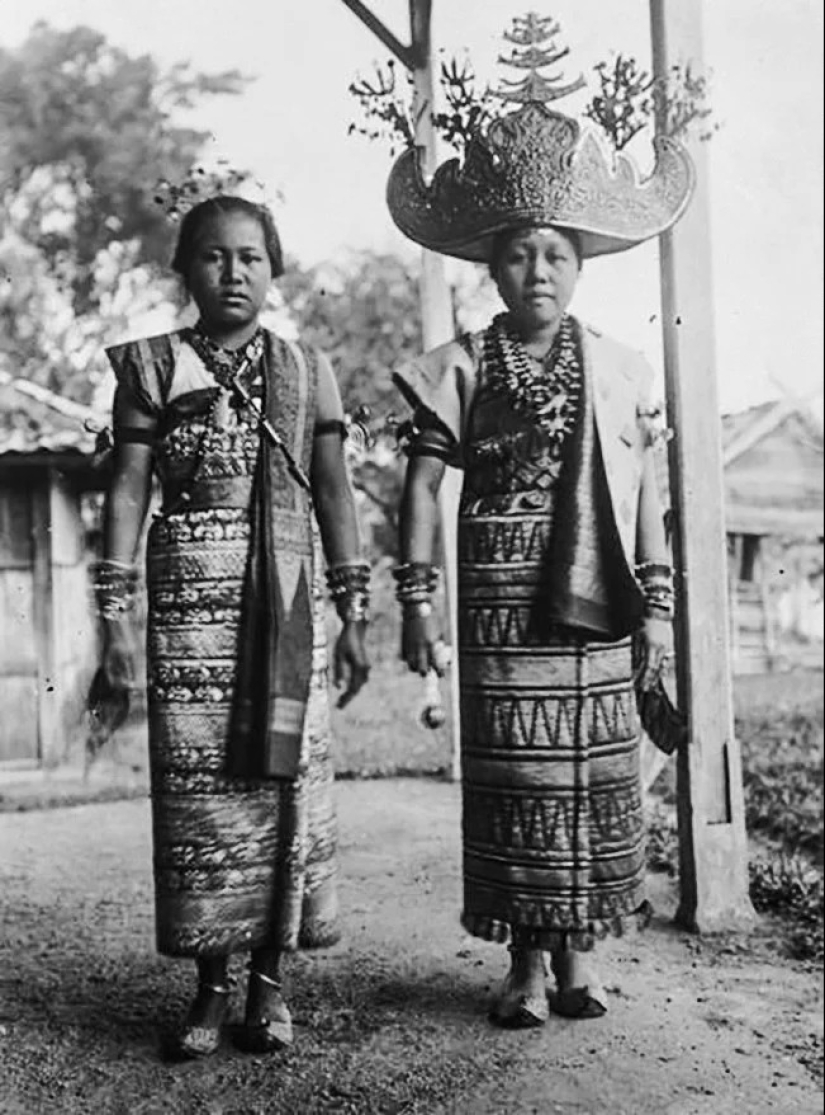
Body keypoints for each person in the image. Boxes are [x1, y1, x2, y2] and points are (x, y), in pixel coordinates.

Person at [386, 76, 694, 1025]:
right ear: (493, 268)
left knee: (592, 771)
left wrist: (657, 605)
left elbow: (643, 496)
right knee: (516, 776)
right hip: (498, 594)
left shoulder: (620, 367)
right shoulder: (461, 366)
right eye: (518, 255)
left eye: (555, 253)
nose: (538, 271)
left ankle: (579, 963)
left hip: (596, 592)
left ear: (581, 264)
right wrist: (417, 601)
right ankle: (523, 963)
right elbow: (423, 486)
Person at [92, 194, 370, 1058]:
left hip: (288, 604)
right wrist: (117, 615)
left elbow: (332, 493)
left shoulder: (305, 370)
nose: (233, 272)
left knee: (283, 790)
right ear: (185, 270)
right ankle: (210, 988)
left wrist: (355, 611)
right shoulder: (149, 366)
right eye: (213, 257)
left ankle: (270, 987)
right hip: (188, 616)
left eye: (250, 257)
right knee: (201, 802)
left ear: (272, 268)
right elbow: (129, 487)